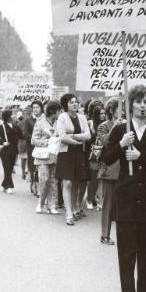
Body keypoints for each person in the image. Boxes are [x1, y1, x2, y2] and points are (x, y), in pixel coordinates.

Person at [101, 85, 146, 292]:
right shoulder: (121, 129)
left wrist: (141, 157)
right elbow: (105, 159)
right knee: (127, 250)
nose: (143, 106)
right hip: (126, 195)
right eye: (138, 102)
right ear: (130, 105)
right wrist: (120, 145)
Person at [55, 94, 91, 225]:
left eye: (76, 102)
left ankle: (75, 208)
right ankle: (68, 212)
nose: (75, 104)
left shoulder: (82, 117)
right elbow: (62, 136)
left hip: (79, 154)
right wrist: (76, 142)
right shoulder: (62, 117)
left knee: (76, 181)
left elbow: (88, 135)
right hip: (66, 153)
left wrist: (74, 135)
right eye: (71, 102)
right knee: (67, 183)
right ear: (66, 104)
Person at [95, 97, 122, 244]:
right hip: (109, 169)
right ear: (112, 110)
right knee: (108, 204)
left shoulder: (127, 124)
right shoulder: (103, 126)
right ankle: (104, 234)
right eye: (120, 108)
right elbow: (105, 142)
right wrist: (115, 127)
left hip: (123, 169)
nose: (123, 111)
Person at [32, 100, 62, 214]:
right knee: (44, 180)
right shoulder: (40, 123)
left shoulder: (58, 123)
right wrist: (48, 141)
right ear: (52, 111)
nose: (60, 113)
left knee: (54, 181)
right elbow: (33, 140)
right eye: (58, 111)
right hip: (42, 157)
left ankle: (52, 205)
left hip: (54, 155)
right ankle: (40, 203)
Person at [0, 110, 22, 194]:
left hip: (14, 150)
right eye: (12, 114)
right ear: (8, 117)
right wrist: (3, 142)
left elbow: (21, 136)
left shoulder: (15, 126)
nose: (14, 115)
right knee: (7, 168)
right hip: (5, 151)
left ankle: (5, 185)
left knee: (10, 168)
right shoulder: (2, 126)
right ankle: (8, 186)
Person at [86, 100, 105, 210]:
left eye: (104, 113)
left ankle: (98, 199)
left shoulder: (105, 124)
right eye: (101, 114)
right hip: (93, 155)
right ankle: (89, 198)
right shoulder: (90, 124)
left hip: (103, 154)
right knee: (92, 179)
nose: (103, 116)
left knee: (100, 179)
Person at [24, 101, 44, 196]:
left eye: (37, 107)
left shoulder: (44, 119)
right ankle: (34, 184)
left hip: (43, 147)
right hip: (32, 147)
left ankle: (39, 186)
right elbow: (26, 134)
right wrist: (35, 139)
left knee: (40, 167)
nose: (35, 109)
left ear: (41, 108)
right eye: (34, 107)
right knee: (33, 166)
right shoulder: (29, 120)